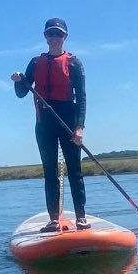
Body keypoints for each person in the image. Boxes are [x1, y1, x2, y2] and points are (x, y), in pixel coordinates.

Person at [11, 17, 89, 231]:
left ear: (65, 37)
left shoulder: (74, 63)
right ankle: (54, 219)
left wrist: (79, 127)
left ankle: (81, 217)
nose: (55, 38)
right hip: (44, 123)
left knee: (75, 170)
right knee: (50, 171)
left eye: (59, 34)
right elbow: (21, 93)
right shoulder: (35, 63)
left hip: (68, 121)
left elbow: (81, 97)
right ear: (45, 37)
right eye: (51, 34)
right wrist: (19, 81)